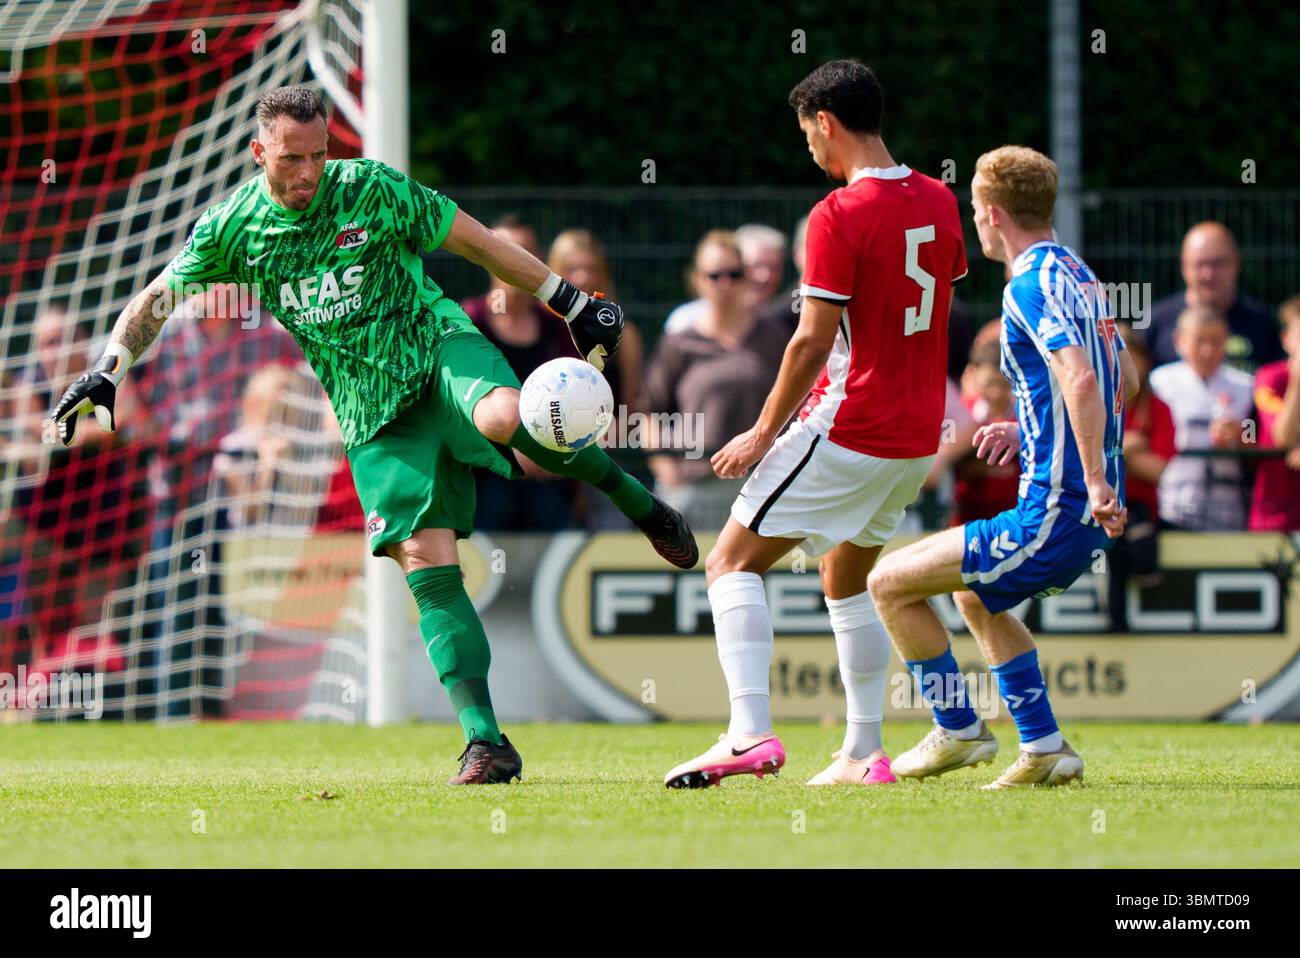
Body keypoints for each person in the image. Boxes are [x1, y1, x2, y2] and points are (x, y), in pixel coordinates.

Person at [49, 86, 697, 784]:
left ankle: (639, 502)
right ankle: (487, 743)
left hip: (436, 347)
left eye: (319, 155)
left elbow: (477, 243)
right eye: (291, 159)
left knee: (507, 418)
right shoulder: (232, 227)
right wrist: (108, 370)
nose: (308, 173)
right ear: (258, 152)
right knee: (427, 563)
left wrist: (568, 301)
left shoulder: (371, 188)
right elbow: (158, 298)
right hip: (368, 410)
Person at [662, 60, 967, 789]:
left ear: (826, 122)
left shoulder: (838, 214)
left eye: (807, 135)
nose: (810, 150)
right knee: (845, 577)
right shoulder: (939, 199)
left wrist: (764, 432)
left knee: (729, 563)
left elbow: (808, 340)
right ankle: (864, 752)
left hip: (852, 423)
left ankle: (748, 735)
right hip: (916, 436)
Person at [866, 145, 1136, 789]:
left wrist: (1092, 478)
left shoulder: (1025, 286)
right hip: (1078, 506)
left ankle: (958, 729)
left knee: (887, 584)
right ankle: (1044, 747)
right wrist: (1035, 429)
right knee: (974, 594)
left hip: (1058, 509)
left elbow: (1080, 377)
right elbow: (1117, 373)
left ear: (990, 214)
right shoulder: (1078, 274)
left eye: (973, 213)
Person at [640, 230, 788, 530]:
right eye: (714, 275)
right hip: (694, 486)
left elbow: (798, 401)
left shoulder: (774, 337)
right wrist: (665, 469)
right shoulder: (680, 343)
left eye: (733, 274)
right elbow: (648, 411)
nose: (724, 284)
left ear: (746, 276)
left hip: (763, 484)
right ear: (697, 280)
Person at [460, 215, 586, 532]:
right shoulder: (468, 321)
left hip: (550, 475)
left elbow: (578, 402)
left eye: (524, 251)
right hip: (482, 476)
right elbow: (454, 406)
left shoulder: (557, 329)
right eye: (504, 249)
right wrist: (514, 452)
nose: (512, 260)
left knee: (553, 513)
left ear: (538, 259)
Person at [1149, 306, 1254, 531]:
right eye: (1199, 341)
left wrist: (1240, 435)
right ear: (1179, 340)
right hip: (1173, 503)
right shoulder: (1159, 383)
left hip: (1230, 507)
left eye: (1216, 341)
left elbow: (1255, 438)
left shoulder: (1246, 385)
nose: (1208, 351)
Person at [1143, 222, 1282, 373]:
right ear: (1184, 266)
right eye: (1200, 264)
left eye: (1218, 263)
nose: (1209, 274)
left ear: (1237, 263)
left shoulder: (1261, 322)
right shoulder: (1154, 322)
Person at [1107, 325, 1174, 629]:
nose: (1122, 367)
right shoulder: (1089, 402)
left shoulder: (1158, 408)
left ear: (1145, 362)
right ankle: (1113, 618)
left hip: (1138, 504)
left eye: (1129, 358)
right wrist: (1129, 446)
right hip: (1097, 504)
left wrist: (1112, 449)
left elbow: (1158, 470)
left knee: (1138, 546)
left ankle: (1119, 620)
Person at [663, 223, 787, 334]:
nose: (765, 276)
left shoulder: (783, 325)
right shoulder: (685, 322)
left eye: (774, 267)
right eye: (755, 265)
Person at [950, 340, 1019, 525]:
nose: (996, 392)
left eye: (1004, 384)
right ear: (972, 375)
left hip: (1016, 521)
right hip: (968, 522)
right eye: (990, 383)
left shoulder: (1025, 419)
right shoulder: (962, 417)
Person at [1248, 295, 1300, 531]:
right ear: (1286, 340)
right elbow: (1283, 436)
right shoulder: (1269, 378)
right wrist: (1297, 379)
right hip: (1274, 517)